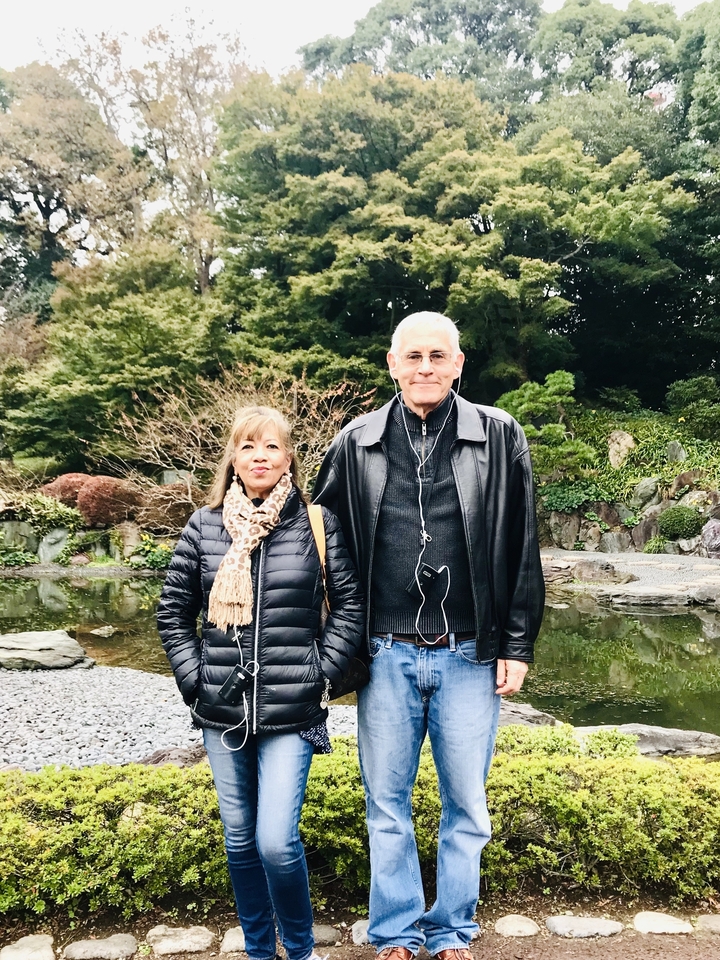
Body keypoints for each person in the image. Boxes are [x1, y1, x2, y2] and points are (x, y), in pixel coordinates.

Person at [313, 312, 545, 960]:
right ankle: (394, 934)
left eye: (437, 355)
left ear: (458, 363)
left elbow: (524, 547)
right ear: (392, 364)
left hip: (472, 653)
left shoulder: (500, 437)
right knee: (386, 803)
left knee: (466, 804)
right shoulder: (354, 443)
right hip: (382, 653)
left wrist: (518, 645)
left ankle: (451, 932)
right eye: (412, 355)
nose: (424, 367)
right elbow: (315, 544)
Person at [158, 405, 364, 960]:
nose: (259, 457)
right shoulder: (204, 526)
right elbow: (173, 613)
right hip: (221, 711)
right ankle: (257, 949)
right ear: (233, 457)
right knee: (240, 841)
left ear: (289, 456)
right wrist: (195, 681)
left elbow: (349, 608)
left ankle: (299, 949)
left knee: (276, 841)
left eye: (271, 446)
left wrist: (321, 672)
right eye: (248, 447)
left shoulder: (317, 524)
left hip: (291, 712)